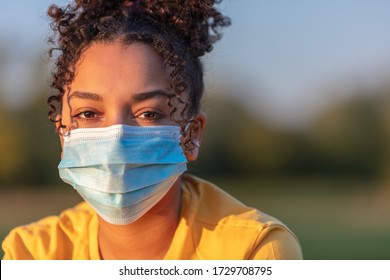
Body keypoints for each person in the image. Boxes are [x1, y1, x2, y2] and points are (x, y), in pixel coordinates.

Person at [2, 0, 302, 260]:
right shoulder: (31, 254)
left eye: (149, 113)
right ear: (62, 135)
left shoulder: (253, 252)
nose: (117, 136)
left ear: (192, 135)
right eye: (89, 113)